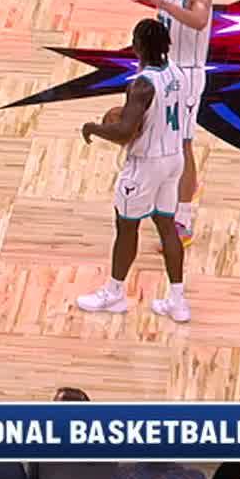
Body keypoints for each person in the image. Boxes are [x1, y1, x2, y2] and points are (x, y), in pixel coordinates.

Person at [74, 18, 191, 322]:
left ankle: (114, 294)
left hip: (147, 164)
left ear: (138, 46)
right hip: (174, 158)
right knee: (167, 227)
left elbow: (125, 132)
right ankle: (177, 301)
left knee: (126, 227)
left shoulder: (142, 85)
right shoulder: (179, 73)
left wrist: (94, 128)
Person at [128, 0, 212, 246]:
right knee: (164, 137)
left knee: (183, 144)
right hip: (166, 68)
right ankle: (177, 190)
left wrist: (159, 3)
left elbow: (199, 20)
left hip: (188, 74)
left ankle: (184, 218)